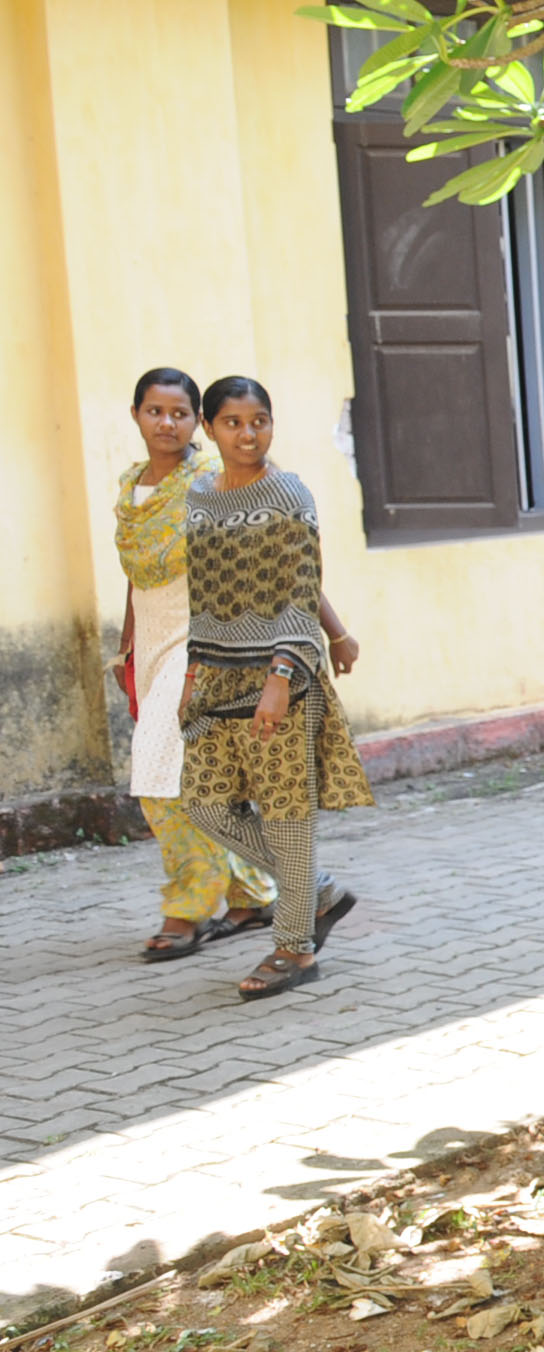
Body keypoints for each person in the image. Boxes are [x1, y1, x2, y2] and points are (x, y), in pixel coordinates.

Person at [174, 378, 371, 999]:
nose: (248, 433)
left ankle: (294, 949)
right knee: (203, 803)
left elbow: (299, 586)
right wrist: (190, 673)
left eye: (260, 420)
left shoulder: (289, 494)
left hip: (282, 677)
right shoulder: (199, 496)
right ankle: (316, 892)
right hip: (217, 675)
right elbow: (203, 595)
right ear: (209, 429)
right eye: (233, 422)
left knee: (287, 818)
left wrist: (282, 675)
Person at [113, 367, 278, 960]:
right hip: (153, 648)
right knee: (200, 778)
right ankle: (253, 893)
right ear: (136, 414)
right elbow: (136, 579)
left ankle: (188, 907)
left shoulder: (212, 482)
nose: (167, 423)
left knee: (156, 778)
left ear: (197, 423)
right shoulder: (133, 492)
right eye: (155, 411)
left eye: (180, 413)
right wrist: (127, 647)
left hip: (203, 644)